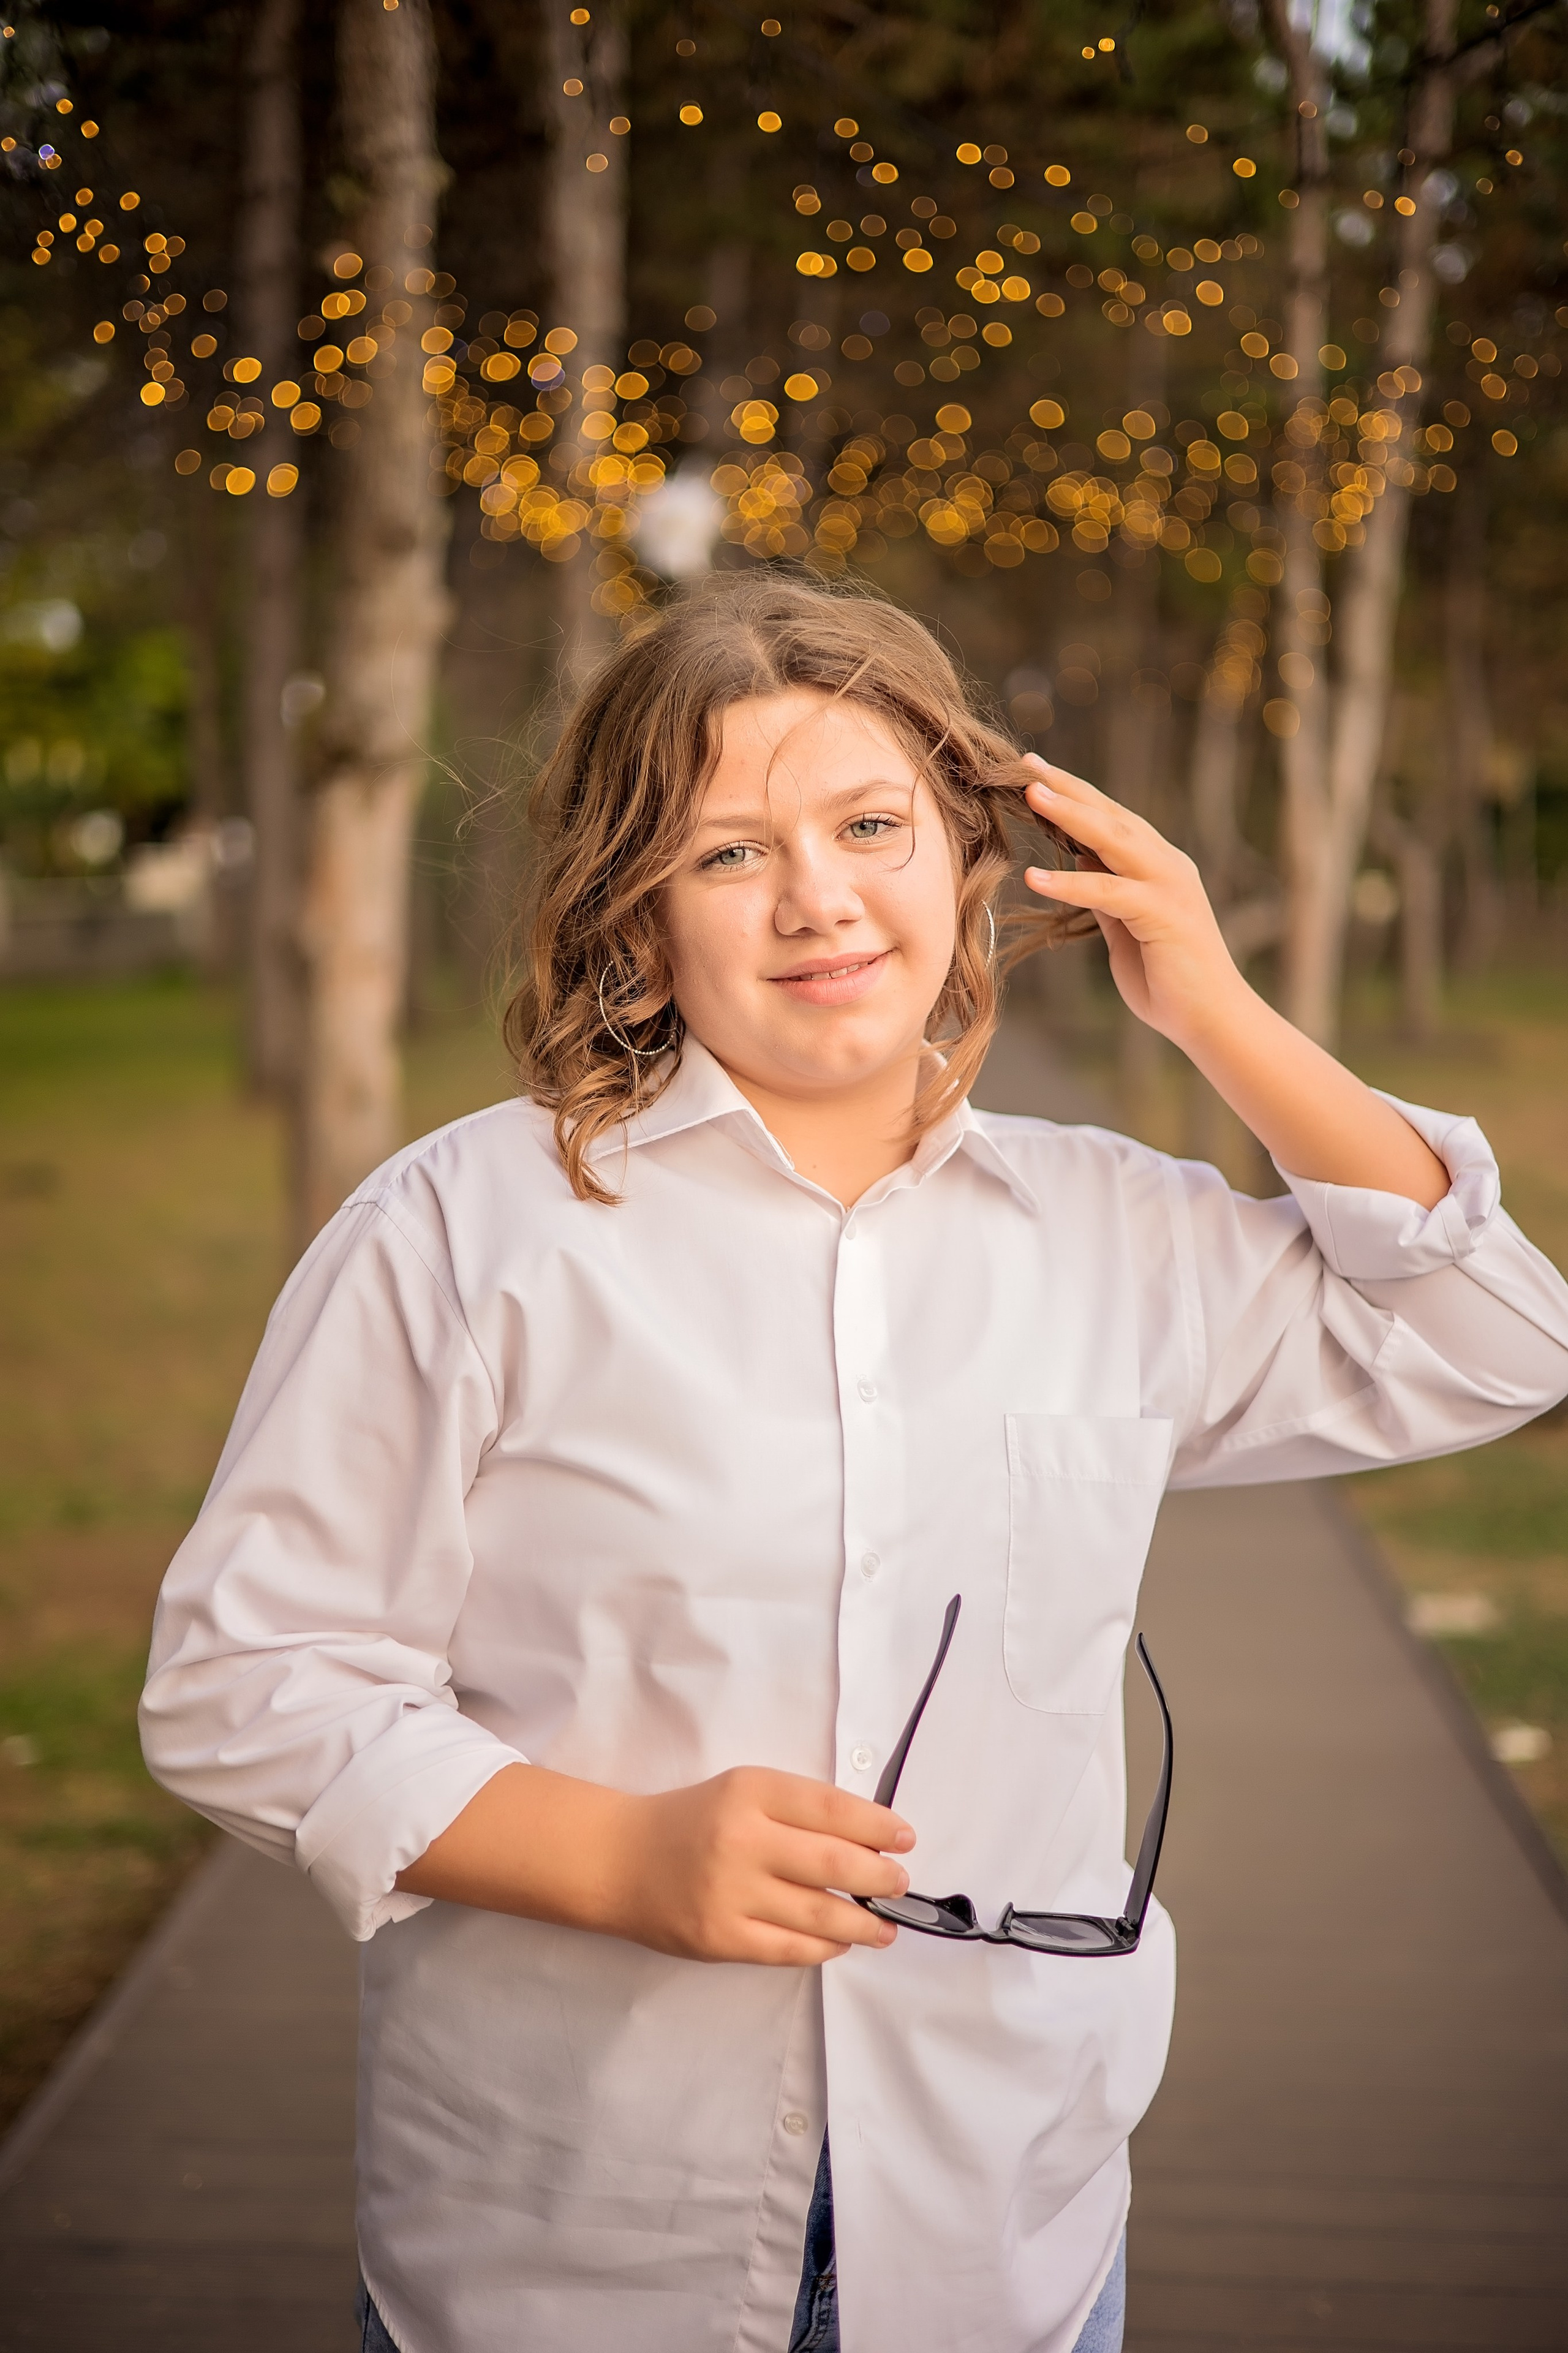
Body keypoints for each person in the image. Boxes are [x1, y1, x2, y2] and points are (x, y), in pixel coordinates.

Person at [141, 575, 1568, 2353]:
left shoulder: (1112, 1233)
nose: (818, 898)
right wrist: (618, 1856)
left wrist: (1218, 1011)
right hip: (574, 2247)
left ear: (965, 855)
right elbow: (246, 1680)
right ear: (636, 911)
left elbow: (1499, 1339)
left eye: (871, 827)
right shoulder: (461, 1229)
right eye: (730, 853)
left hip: (1008, 2233)